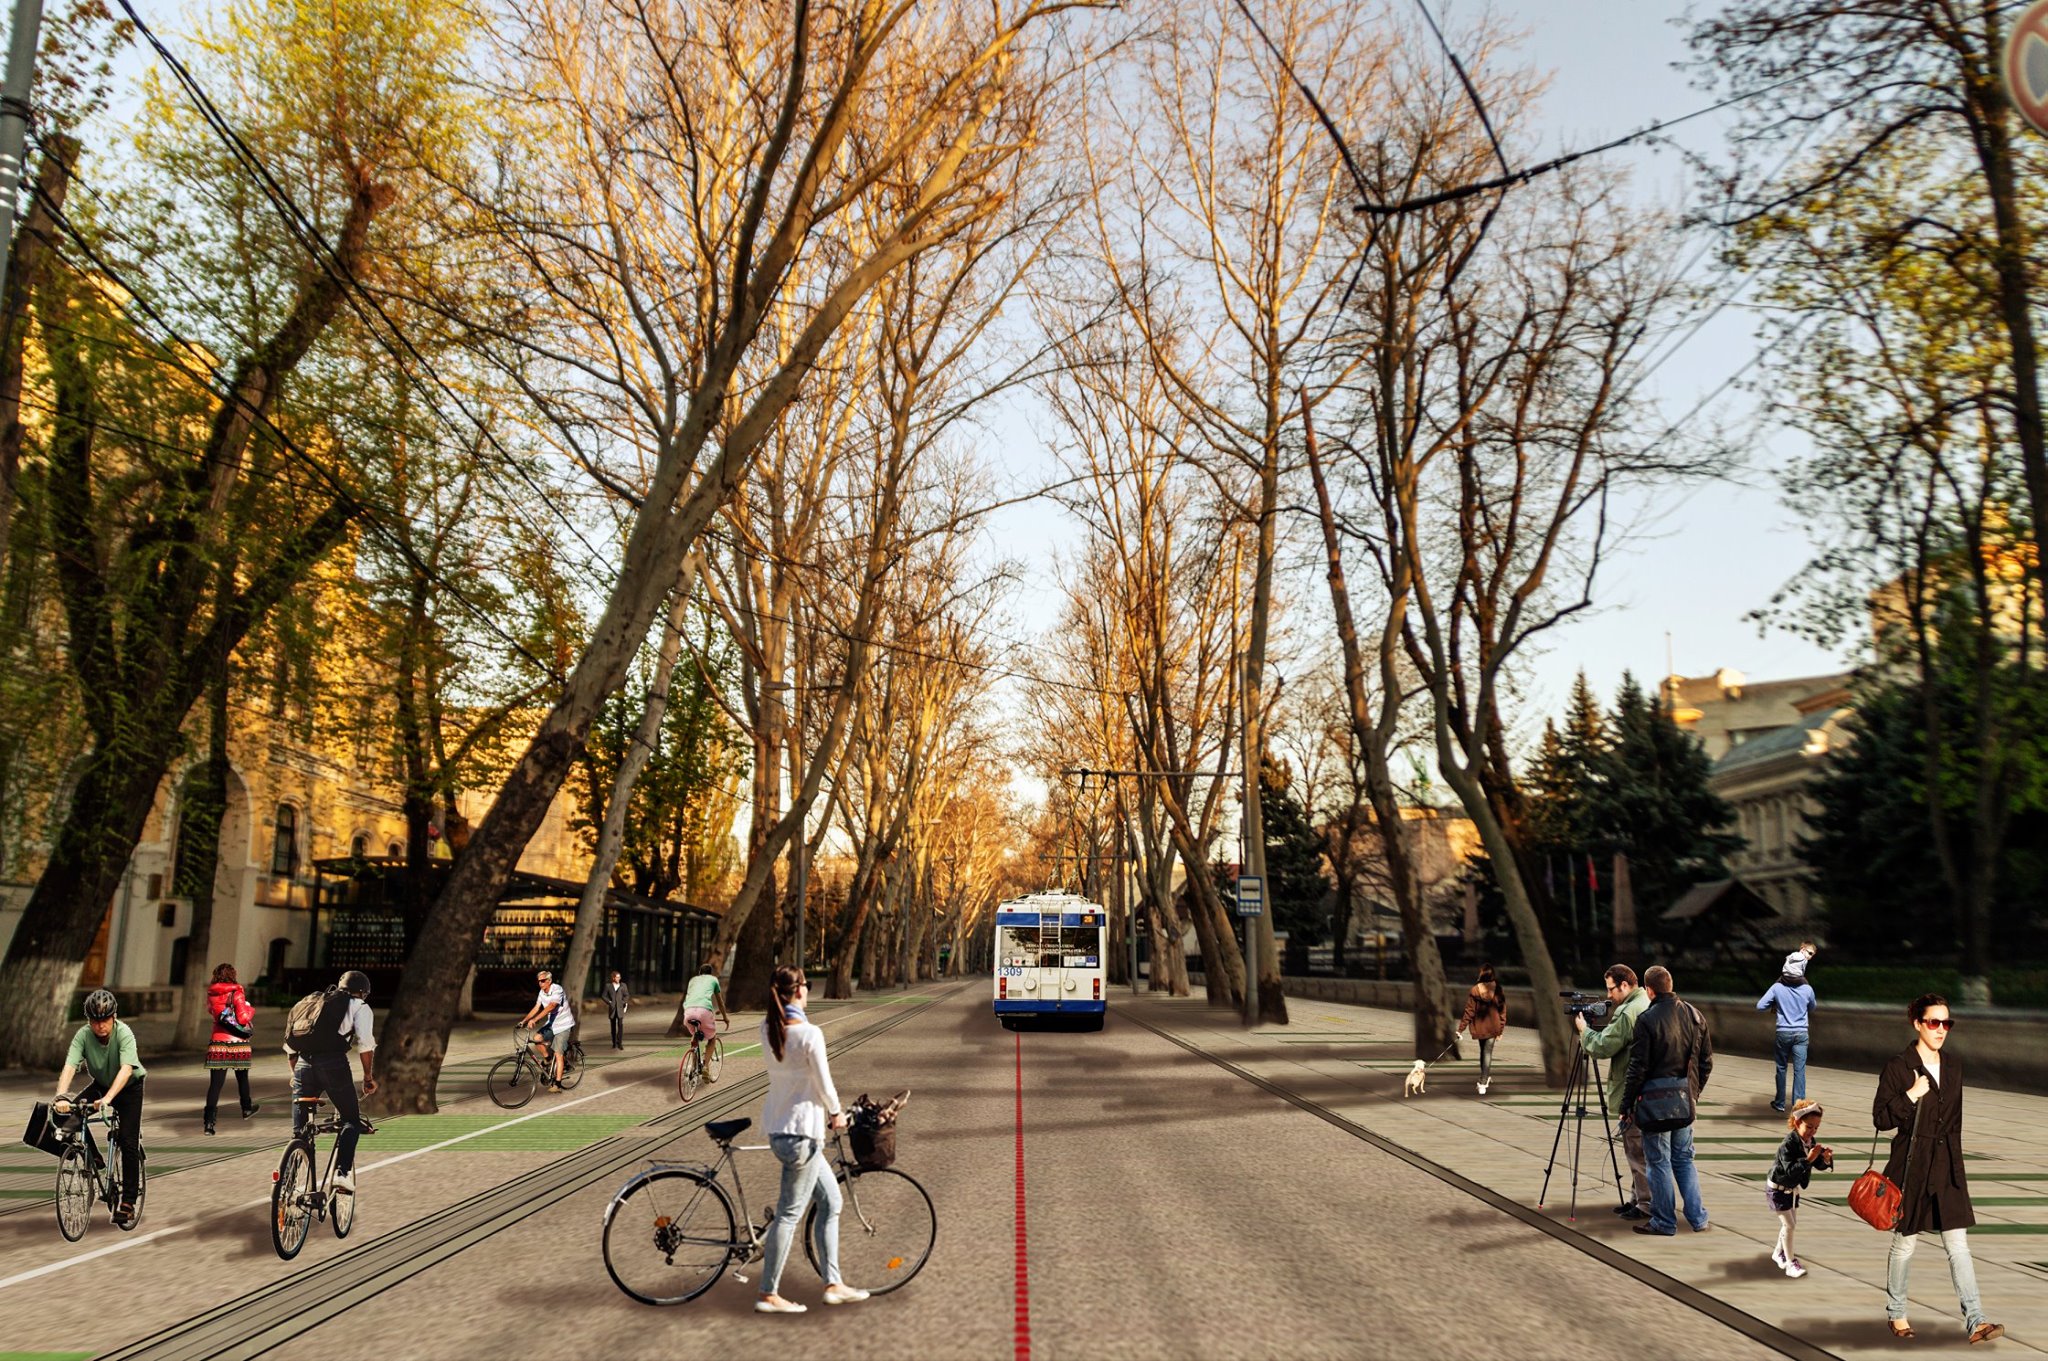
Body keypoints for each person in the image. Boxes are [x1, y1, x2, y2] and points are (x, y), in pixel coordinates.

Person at [1875, 993, 2003, 1344]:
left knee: (1958, 1246)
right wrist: (1910, 1095)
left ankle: (1976, 1320)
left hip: (1946, 1166)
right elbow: (1881, 1118)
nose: (1941, 1029)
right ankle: (1896, 1313)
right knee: (1905, 1245)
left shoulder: (1954, 1065)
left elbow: (1955, 1123)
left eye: (1947, 1023)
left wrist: (1958, 1172)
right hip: (1912, 1166)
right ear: (1917, 1023)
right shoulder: (1899, 1067)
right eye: (1934, 1022)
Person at [755, 966, 868, 1314]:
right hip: (802, 1134)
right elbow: (824, 1083)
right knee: (789, 1214)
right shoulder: (809, 1034)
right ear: (799, 991)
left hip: (779, 1128)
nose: (808, 990)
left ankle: (833, 1284)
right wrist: (838, 1114)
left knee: (831, 1202)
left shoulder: (768, 1028)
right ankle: (768, 1293)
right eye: (807, 984)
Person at [1622, 965, 1713, 1237]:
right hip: (1685, 1101)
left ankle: (1663, 1221)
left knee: (1658, 1162)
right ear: (1670, 985)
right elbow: (1706, 1062)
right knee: (1684, 1159)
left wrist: (1626, 1104)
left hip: (1655, 1104)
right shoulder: (1695, 1016)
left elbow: (1637, 1067)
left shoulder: (1647, 1020)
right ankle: (1698, 1218)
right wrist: (1693, 1093)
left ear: (1649, 990)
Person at [54, 989, 146, 1228]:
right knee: (68, 1117)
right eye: (95, 1020)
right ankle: (94, 1158)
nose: (100, 1025)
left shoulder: (124, 1033)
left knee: (128, 1141)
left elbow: (126, 1069)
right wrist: (61, 1096)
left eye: (104, 1020)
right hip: (101, 1085)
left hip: (129, 1088)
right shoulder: (83, 1036)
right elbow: (70, 1065)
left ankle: (128, 1201)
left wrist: (107, 1099)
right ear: (88, 1021)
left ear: (113, 1017)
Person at [285, 969, 378, 1196]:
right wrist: (368, 1077)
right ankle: (342, 1174)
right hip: (333, 1065)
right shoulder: (359, 1006)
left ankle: (288, 1182)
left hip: (303, 1065)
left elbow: (290, 1048)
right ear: (363, 993)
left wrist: (295, 1075)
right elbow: (365, 1045)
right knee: (351, 1120)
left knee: (300, 1133)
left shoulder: (311, 1002)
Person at [1576, 964, 1652, 1220]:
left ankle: (1644, 1205)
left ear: (1625, 985)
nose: (1608, 995)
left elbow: (1604, 1046)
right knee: (1638, 1149)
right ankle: (1637, 1198)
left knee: (1636, 1149)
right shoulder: (1645, 1003)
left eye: (1611, 989)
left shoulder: (1629, 1011)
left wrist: (1584, 1032)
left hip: (1632, 1091)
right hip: (1648, 1090)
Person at [1765, 1099, 1832, 1278]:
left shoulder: (1810, 1141)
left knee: (1789, 1225)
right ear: (1797, 1122)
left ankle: (1778, 1253)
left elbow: (1816, 1162)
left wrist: (1824, 1159)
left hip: (1792, 1189)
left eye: (1816, 1128)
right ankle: (1790, 1263)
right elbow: (1790, 1170)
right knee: (1790, 1226)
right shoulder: (1788, 1144)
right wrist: (1808, 1160)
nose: (1813, 1132)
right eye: (1809, 1127)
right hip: (1778, 1190)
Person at [203, 962, 260, 1135]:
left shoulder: (212, 993)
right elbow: (242, 1019)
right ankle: (246, 1108)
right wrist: (250, 1008)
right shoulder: (237, 992)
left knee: (215, 1084)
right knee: (242, 1078)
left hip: (218, 1042)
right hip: (238, 1043)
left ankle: (209, 1124)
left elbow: (213, 1013)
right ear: (232, 975)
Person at [1757, 956, 1818, 1113]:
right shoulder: (1807, 989)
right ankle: (1798, 1106)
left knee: (1781, 1068)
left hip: (1783, 1032)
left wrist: (1776, 1004)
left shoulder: (1777, 988)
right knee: (1800, 1070)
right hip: (1801, 1033)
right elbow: (1812, 1007)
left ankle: (1779, 1102)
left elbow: (1760, 1005)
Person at [1455, 963, 1507, 1096]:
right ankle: (1484, 1081)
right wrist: (1500, 1029)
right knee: (1487, 1053)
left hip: (1480, 1027)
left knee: (1483, 1051)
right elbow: (1502, 1011)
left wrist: (1460, 1029)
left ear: (1482, 974)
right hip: (1494, 1026)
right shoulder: (1498, 989)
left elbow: (1469, 1011)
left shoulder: (1475, 990)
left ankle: (1483, 1080)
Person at [517, 969, 574, 1088]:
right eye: (539, 981)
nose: (540, 983)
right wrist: (524, 1021)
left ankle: (557, 1084)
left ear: (549, 981)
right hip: (552, 1024)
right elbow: (536, 1007)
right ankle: (548, 1059)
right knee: (537, 1038)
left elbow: (551, 1006)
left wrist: (535, 1019)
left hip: (564, 1024)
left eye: (543, 981)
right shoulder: (542, 992)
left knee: (558, 1053)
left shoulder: (557, 989)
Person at [681, 962, 731, 1052]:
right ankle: (706, 1066)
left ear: (699, 972)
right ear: (710, 973)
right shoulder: (713, 980)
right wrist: (725, 1018)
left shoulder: (692, 980)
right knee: (712, 1038)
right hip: (703, 1011)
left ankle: (693, 1064)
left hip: (688, 1011)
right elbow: (720, 1003)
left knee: (695, 1036)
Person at [603, 970, 632, 1050]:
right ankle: (614, 1043)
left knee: (620, 1026)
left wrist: (623, 1002)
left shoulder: (623, 985)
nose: (619, 978)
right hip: (612, 1010)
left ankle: (620, 1043)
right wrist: (609, 1002)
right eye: (617, 977)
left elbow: (627, 995)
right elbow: (603, 996)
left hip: (620, 1009)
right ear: (613, 978)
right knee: (613, 1027)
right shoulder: (608, 986)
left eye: (619, 977)